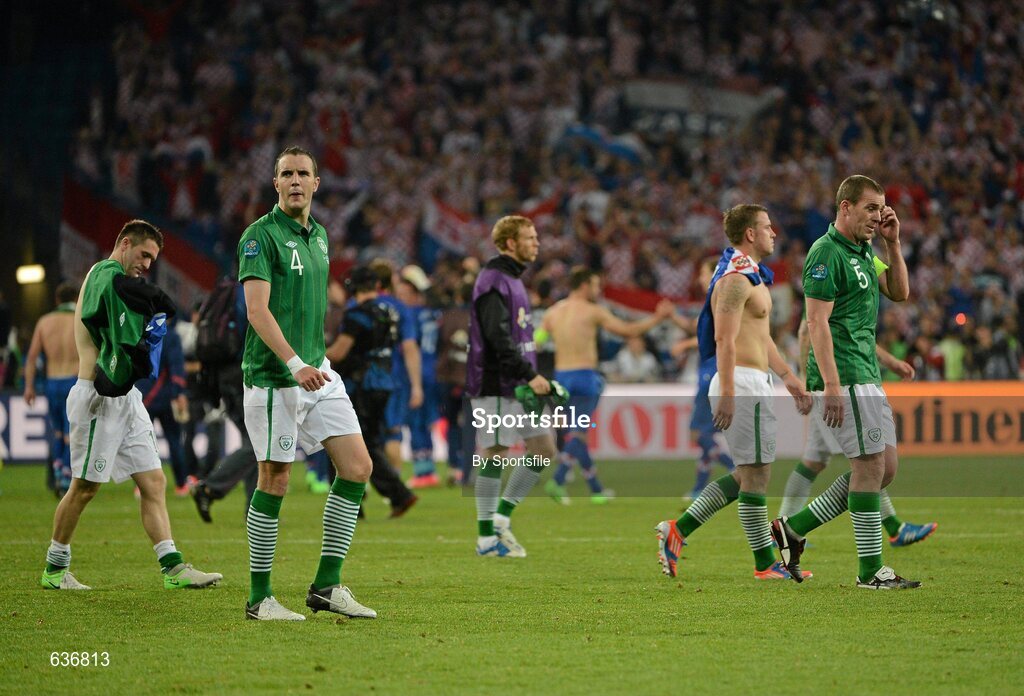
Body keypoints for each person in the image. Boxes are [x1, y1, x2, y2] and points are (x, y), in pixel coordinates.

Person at [40, 219, 222, 591]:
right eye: (143, 255)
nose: (146, 264)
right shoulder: (103, 273)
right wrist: (152, 295)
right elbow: (122, 287)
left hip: (126, 399)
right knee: (85, 488)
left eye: (152, 260)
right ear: (124, 244)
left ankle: (172, 567)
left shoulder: (117, 289)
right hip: (96, 397)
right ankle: (55, 569)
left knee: (154, 480)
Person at [238, 146, 376, 621]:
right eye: (286, 174)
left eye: (303, 173)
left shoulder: (319, 236)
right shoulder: (260, 236)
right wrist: (296, 362)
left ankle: (327, 586)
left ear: (317, 184)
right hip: (275, 376)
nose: (295, 180)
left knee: (357, 467)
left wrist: (310, 361)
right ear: (275, 184)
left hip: (318, 372)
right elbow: (257, 312)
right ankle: (259, 598)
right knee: (275, 479)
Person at [770, 174, 921, 590]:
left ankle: (793, 528)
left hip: (866, 373)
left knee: (883, 468)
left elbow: (899, 291)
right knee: (869, 467)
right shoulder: (826, 252)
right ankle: (870, 571)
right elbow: (815, 322)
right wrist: (832, 385)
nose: (878, 215)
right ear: (845, 207)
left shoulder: (863, 252)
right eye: (871, 208)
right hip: (845, 377)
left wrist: (892, 242)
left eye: (882, 207)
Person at [654, 204, 812, 580]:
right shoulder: (735, 280)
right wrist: (727, 390)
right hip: (740, 382)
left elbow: (760, 336)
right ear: (750, 234)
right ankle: (763, 565)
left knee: (748, 475)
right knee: (756, 476)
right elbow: (723, 338)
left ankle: (678, 530)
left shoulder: (750, 276)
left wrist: (789, 377)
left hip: (750, 380)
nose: (774, 233)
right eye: (767, 227)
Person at [778, 319, 938, 547]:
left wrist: (889, 361)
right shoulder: (825, 290)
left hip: (833, 384)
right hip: (832, 387)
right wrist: (807, 382)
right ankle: (892, 528)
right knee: (869, 465)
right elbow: (807, 329)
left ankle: (786, 527)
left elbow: (854, 332)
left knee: (817, 461)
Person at [541, 266, 675, 504]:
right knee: (579, 434)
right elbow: (628, 330)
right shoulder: (593, 311)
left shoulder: (553, 313)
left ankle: (596, 490)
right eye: (595, 285)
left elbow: (537, 342)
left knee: (573, 433)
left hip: (561, 378)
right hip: (584, 376)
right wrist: (658, 318)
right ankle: (558, 480)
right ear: (583, 286)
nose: (598, 290)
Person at [468, 215, 559, 557]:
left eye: (536, 237)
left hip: (518, 382)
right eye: (530, 238)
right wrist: (529, 374)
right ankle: (485, 538)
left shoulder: (513, 280)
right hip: (495, 382)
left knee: (544, 447)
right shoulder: (493, 281)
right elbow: (496, 336)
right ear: (509, 243)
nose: (537, 243)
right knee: (494, 452)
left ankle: (502, 520)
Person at [326, 266, 418, 517]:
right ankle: (387, 496)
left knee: (346, 442)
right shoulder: (390, 312)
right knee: (371, 441)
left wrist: (312, 357)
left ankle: (362, 501)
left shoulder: (356, 315)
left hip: (361, 384)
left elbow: (340, 352)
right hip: (384, 382)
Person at [191, 278, 259, 523]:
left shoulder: (221, 291)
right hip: (243, 372)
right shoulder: (250, 292)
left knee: (253, 440)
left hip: (223, 374)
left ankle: (254, 510)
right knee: (259, 443)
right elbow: (256, 329)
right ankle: (209, 487)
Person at [670, 258, 735, 501]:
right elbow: (697, 327)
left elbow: (720, 336)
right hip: (714, 370)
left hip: (711, 371)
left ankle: (732, 467)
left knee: (697, 435)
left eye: (703, 273)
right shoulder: (718, 298)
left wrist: (684, 344)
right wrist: (673, 318)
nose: (699, 278)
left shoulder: (719, 296)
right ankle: (699, 487)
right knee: (707, 435)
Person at [368, 259, 423, 478]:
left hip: (362, 378)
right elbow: (409, 348)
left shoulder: (358, 306)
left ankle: (361, 483)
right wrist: (417, 386)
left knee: (363, 433)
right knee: (392, 432)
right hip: (392, 377)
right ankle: (395, 484)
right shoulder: (400, 308)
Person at [24, 282, 80, 498]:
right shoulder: (81, 320)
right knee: (72, 435)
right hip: (74, 382)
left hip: (51, 383)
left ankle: (58, 472)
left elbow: (31, 358)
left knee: (57, 433)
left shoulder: (44, 322)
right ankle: (66, 478)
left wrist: (29, 386)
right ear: (76, 299)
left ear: (57, 300)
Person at [396, 264, 442, 488]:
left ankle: (423, 472)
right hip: (432, 370)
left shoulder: (409, 314)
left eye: (403, 293)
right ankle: (429, 469)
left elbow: (407, 345)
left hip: (414, 372)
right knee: (425, 421)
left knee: (415, 422)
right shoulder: (433, 314)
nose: (400, 297)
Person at [137, 316, 191, 495]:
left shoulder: (142, 334)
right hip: (167, 397)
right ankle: (181, 484)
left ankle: (141, 486)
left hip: (143, 398)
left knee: (143, 443)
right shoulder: (171, 336)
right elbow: (177, 366)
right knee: (174, 441)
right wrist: (179, 393)